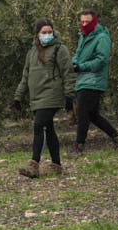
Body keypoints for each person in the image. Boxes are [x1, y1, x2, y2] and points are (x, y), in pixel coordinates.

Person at [13, 18, 75, 178]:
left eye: (50, 32)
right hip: (37, 96)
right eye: (44, 32)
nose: (47, 35)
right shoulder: (32, 52)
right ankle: (56, 165)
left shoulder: (60, 49)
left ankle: (33, 165)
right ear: (37, 34)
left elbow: (68, 73)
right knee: (49, 128)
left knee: (39, 125)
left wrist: (69, 96)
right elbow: (26, 75)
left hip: (52, 94)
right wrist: (18, 96)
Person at [68, 9, 118, 155]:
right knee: (93, 115)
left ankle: (79, 146)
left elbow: (101, 60)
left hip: (94, 80)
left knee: (83, 113)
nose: (84, 24)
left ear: (94, 21)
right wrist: (74, 62)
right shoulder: (83, 36)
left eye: (87, 21)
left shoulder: (102, 37)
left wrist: (82, 66)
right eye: (82, 21)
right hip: (83, 79)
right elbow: (77, 54)